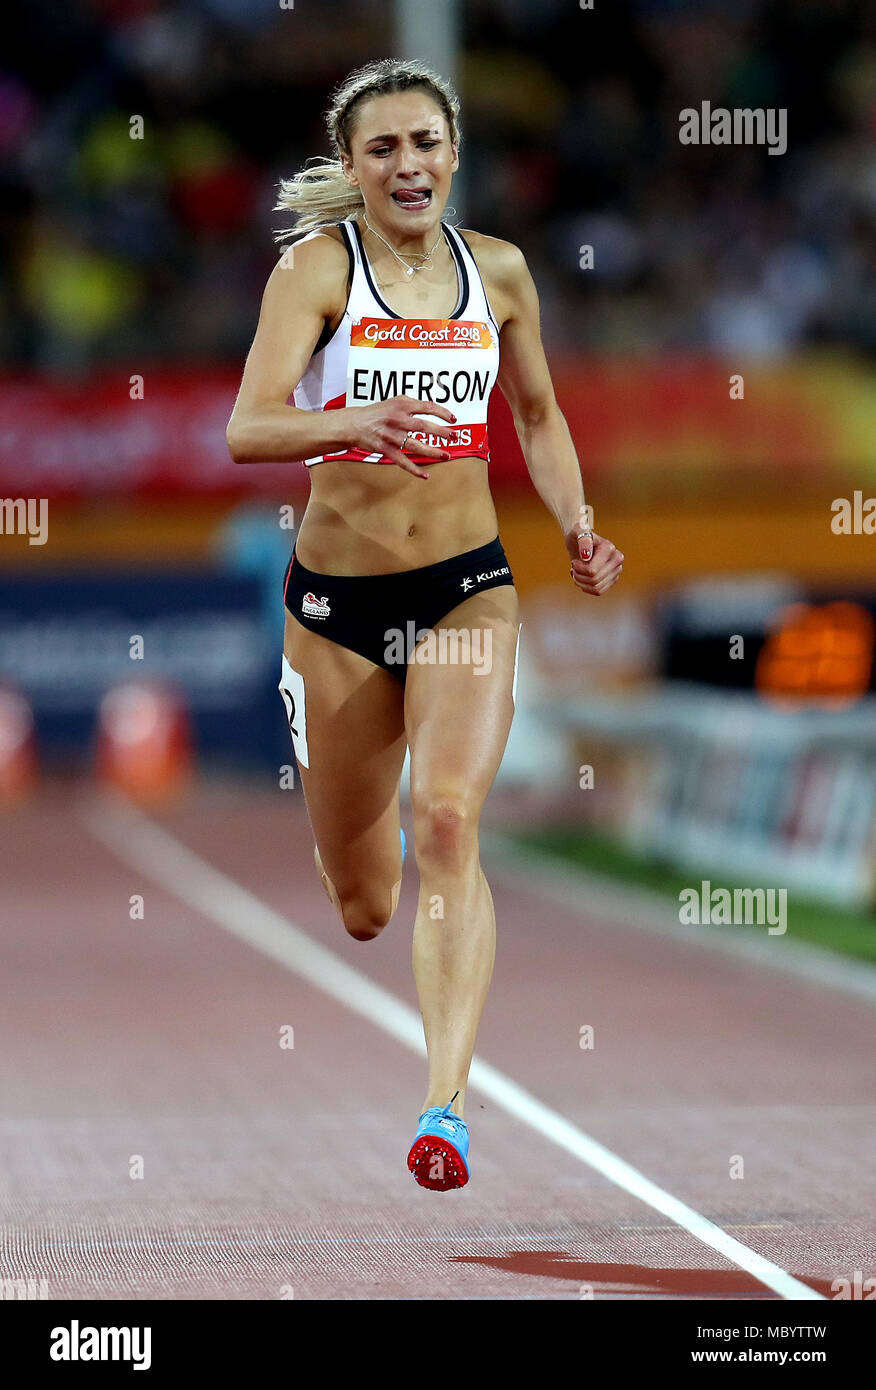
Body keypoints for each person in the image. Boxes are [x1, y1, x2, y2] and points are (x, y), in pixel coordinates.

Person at [226, 57, 623, 1191]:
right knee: (363, 904)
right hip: (342, 607)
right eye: (384, 148)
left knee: (448, 820)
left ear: (455, 154)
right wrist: (352, 419)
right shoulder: (315, 271)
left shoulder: (498, 271)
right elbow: (247, 429)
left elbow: (540, 417)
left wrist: (577, 525)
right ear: (352, 169)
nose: (409, 164)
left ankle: (445, 1104)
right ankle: (370, 859)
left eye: (426, 143)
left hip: (464, 586)